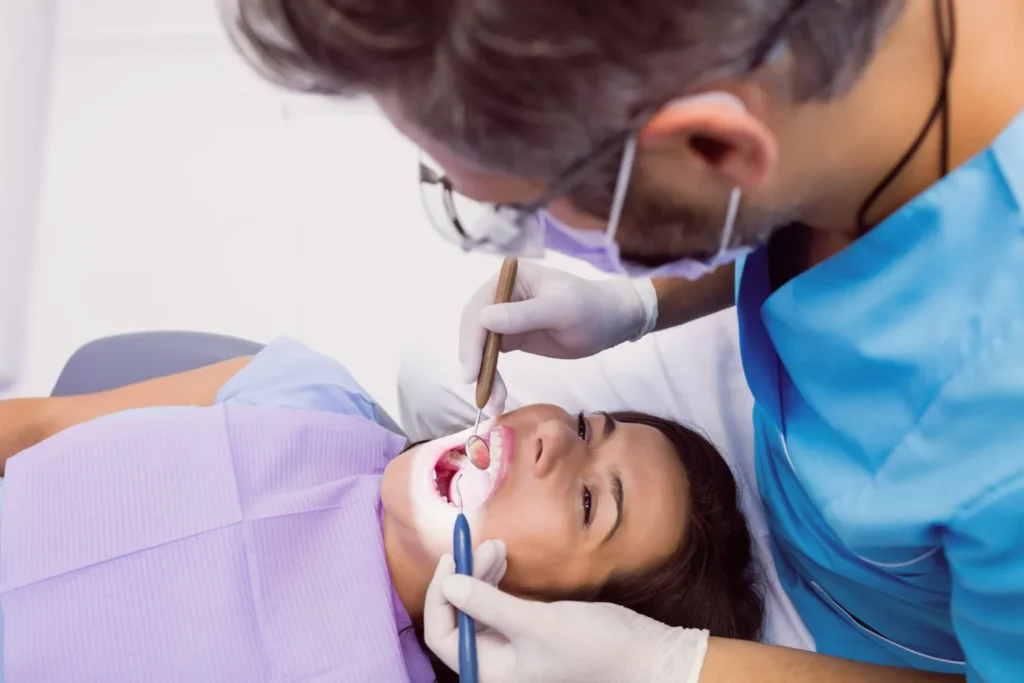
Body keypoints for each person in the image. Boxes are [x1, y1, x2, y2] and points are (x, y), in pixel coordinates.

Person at [222, 0, 1024, 681]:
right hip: (780, 438)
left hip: (868, 628)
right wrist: (641, 301)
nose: (533, 237)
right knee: (437, 371)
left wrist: (673, 663)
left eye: (525, 209)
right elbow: (792, 189)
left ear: (714, 146)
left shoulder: (997, 436)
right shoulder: (859, 77)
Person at [0, 338, 764, 682]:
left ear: (559, 625)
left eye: (592, 501)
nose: (552, 439)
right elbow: (30, 427)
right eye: (589, 426)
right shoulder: (304, 390)